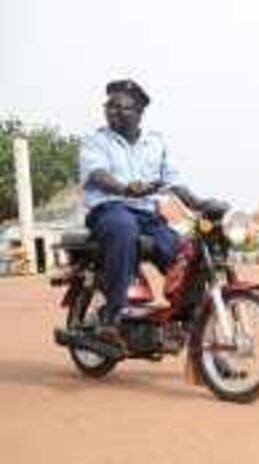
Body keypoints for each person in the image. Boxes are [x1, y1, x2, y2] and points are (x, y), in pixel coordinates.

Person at [80, 79, 181, 344]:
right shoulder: (96, 140)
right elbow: (99, 174)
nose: (112, 111)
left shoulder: (155, 143)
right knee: (124, 228)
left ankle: (191, 317)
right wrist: (124, 189)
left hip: (147, 215)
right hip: (109, 210)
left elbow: (174, 182)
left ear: (138, 112)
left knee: (179, 249)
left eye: (121, 107)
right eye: (109, 106)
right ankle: (113, 316)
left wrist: (201, 203)